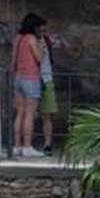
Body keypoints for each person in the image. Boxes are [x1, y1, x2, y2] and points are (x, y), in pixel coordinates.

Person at [10, 13, 46, 158]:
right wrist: (42, 47)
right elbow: (39, 59)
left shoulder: (17, 39)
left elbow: (13, 60)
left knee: (20, 112)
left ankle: (17, 145)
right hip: (31, 78)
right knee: (30, 113)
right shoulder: (31, 39)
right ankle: (27, 146)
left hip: (18, 77)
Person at [37, 21, 58, 156]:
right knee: (29, 113)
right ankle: (24, 144)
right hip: (34, 79)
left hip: (46, 79)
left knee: (47, 115)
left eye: (44, 31)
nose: (42, 33)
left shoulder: (47, 42)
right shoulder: (32, 42)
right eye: (40, 31)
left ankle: (47, 144)